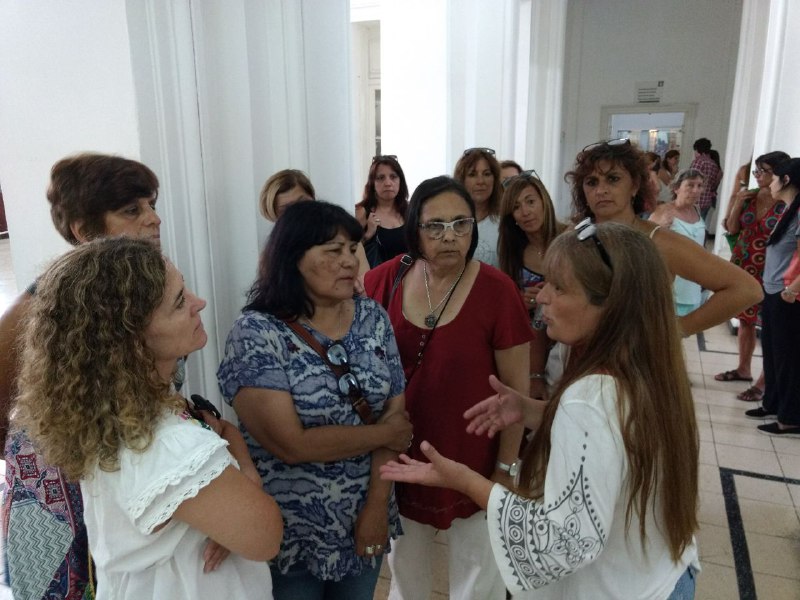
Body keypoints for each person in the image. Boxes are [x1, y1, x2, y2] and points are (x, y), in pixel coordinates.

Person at [381, 222, 701, 599]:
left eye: (559, 287)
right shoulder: (649, 368)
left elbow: (564, 544)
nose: (542, 296)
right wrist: (538, 412)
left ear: (611, 304)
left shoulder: (588, 399)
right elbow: (616, 431)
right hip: (662, 575)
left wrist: (466, 482)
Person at [10, 237, 283, 598]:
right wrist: (248, 477)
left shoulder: (116, 414)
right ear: (130, 340)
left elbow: (219, 431)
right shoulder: (168, 447)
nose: (199, 303)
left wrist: (237, 461)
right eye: (179, 302)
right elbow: (265, 538)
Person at [217, 200, 411, 599]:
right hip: (292, 529)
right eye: (333, 251)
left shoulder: (372, 317)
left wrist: (377, 507)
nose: (350, 261)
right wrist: (383, 435)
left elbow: (395, 410)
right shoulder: (257, 333)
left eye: (352, 248)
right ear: (293, 258)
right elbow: (291, 444)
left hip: (365, 513)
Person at [1, 152, 163, 600]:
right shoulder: (49, 300)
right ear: (83, 230)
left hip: (124, 484)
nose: (153, 219)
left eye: (151, 205)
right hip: (55, 492)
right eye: (132, 210)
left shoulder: (147, 291)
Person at [364, 176, 532, 600]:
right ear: (414, 229)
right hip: (402, 457)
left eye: (461, 224)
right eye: (435, 226)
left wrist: (506, 469)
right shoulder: (386, 279)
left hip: (475, 457)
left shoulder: (497, 291)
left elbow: (516, 392)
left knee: (479, 577)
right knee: (406, 574)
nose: (450, 236)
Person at [567, 138, 762, 337]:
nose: (601, 190)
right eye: (591, 182)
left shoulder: (657, 241)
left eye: (613, 179)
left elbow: (746, 289)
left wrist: (674, 331)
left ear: (634, 185)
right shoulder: (574, 235)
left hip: (635, 351)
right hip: (579, 347)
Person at [715, 151, 789, 402]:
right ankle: (743, 368)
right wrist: (737, 201)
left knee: (770, 326)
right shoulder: (751, 196)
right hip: (744, 263)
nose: (757, 176)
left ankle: (764, 382)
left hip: (772, 270)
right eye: (756, 171)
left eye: (763, 171)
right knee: (745, 319)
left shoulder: (786, 203)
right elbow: (732, 227)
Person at [498, 171, 566, 399]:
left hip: (568, 341)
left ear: (544, 201)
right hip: (529, 346)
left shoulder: (570, 237)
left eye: (530, 201)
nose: (525, 212)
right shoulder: (513, 253)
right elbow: (506, 308)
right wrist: (520, 301)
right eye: (516, 207)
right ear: (511, 217)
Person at [745, 158, 800, 437]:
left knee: (788, 358)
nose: (770, 183)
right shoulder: (787, 209)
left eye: (774, 177)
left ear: (786, 180)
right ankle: (773, 403)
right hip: (773, 291)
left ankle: (790, 418)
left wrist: (792, 290)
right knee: (772, 352)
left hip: (787, 295)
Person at [650, 169, 707, 316]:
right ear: (676, 188)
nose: (696, 190)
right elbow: (645, 242)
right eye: (690, 185)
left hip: (693, 284)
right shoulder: (663, 211)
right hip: (669, 286)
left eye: (700, 186)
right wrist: (660, 227)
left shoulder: (696, 210)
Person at [356, 155, 409, 268]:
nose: (388, 183)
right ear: (372, 183)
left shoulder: (410, 211)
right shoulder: (362, 212)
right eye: (380, 178)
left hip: (410, 276)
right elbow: (351, 250)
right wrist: (368, 235)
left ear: (400, 181)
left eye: (393, 177)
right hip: (376, 277)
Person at [454, 147, 503, 267]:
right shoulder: (449, 222)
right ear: (461, 180)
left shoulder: (505, 221)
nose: (480, 181)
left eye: (487, 174)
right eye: (472, 174)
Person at [689, 138, 722, 220]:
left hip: (696, 200)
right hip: (707, 201)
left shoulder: (698, 162)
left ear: (697, 150)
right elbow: (713, 185)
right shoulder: (714, 164)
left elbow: (690, 179)